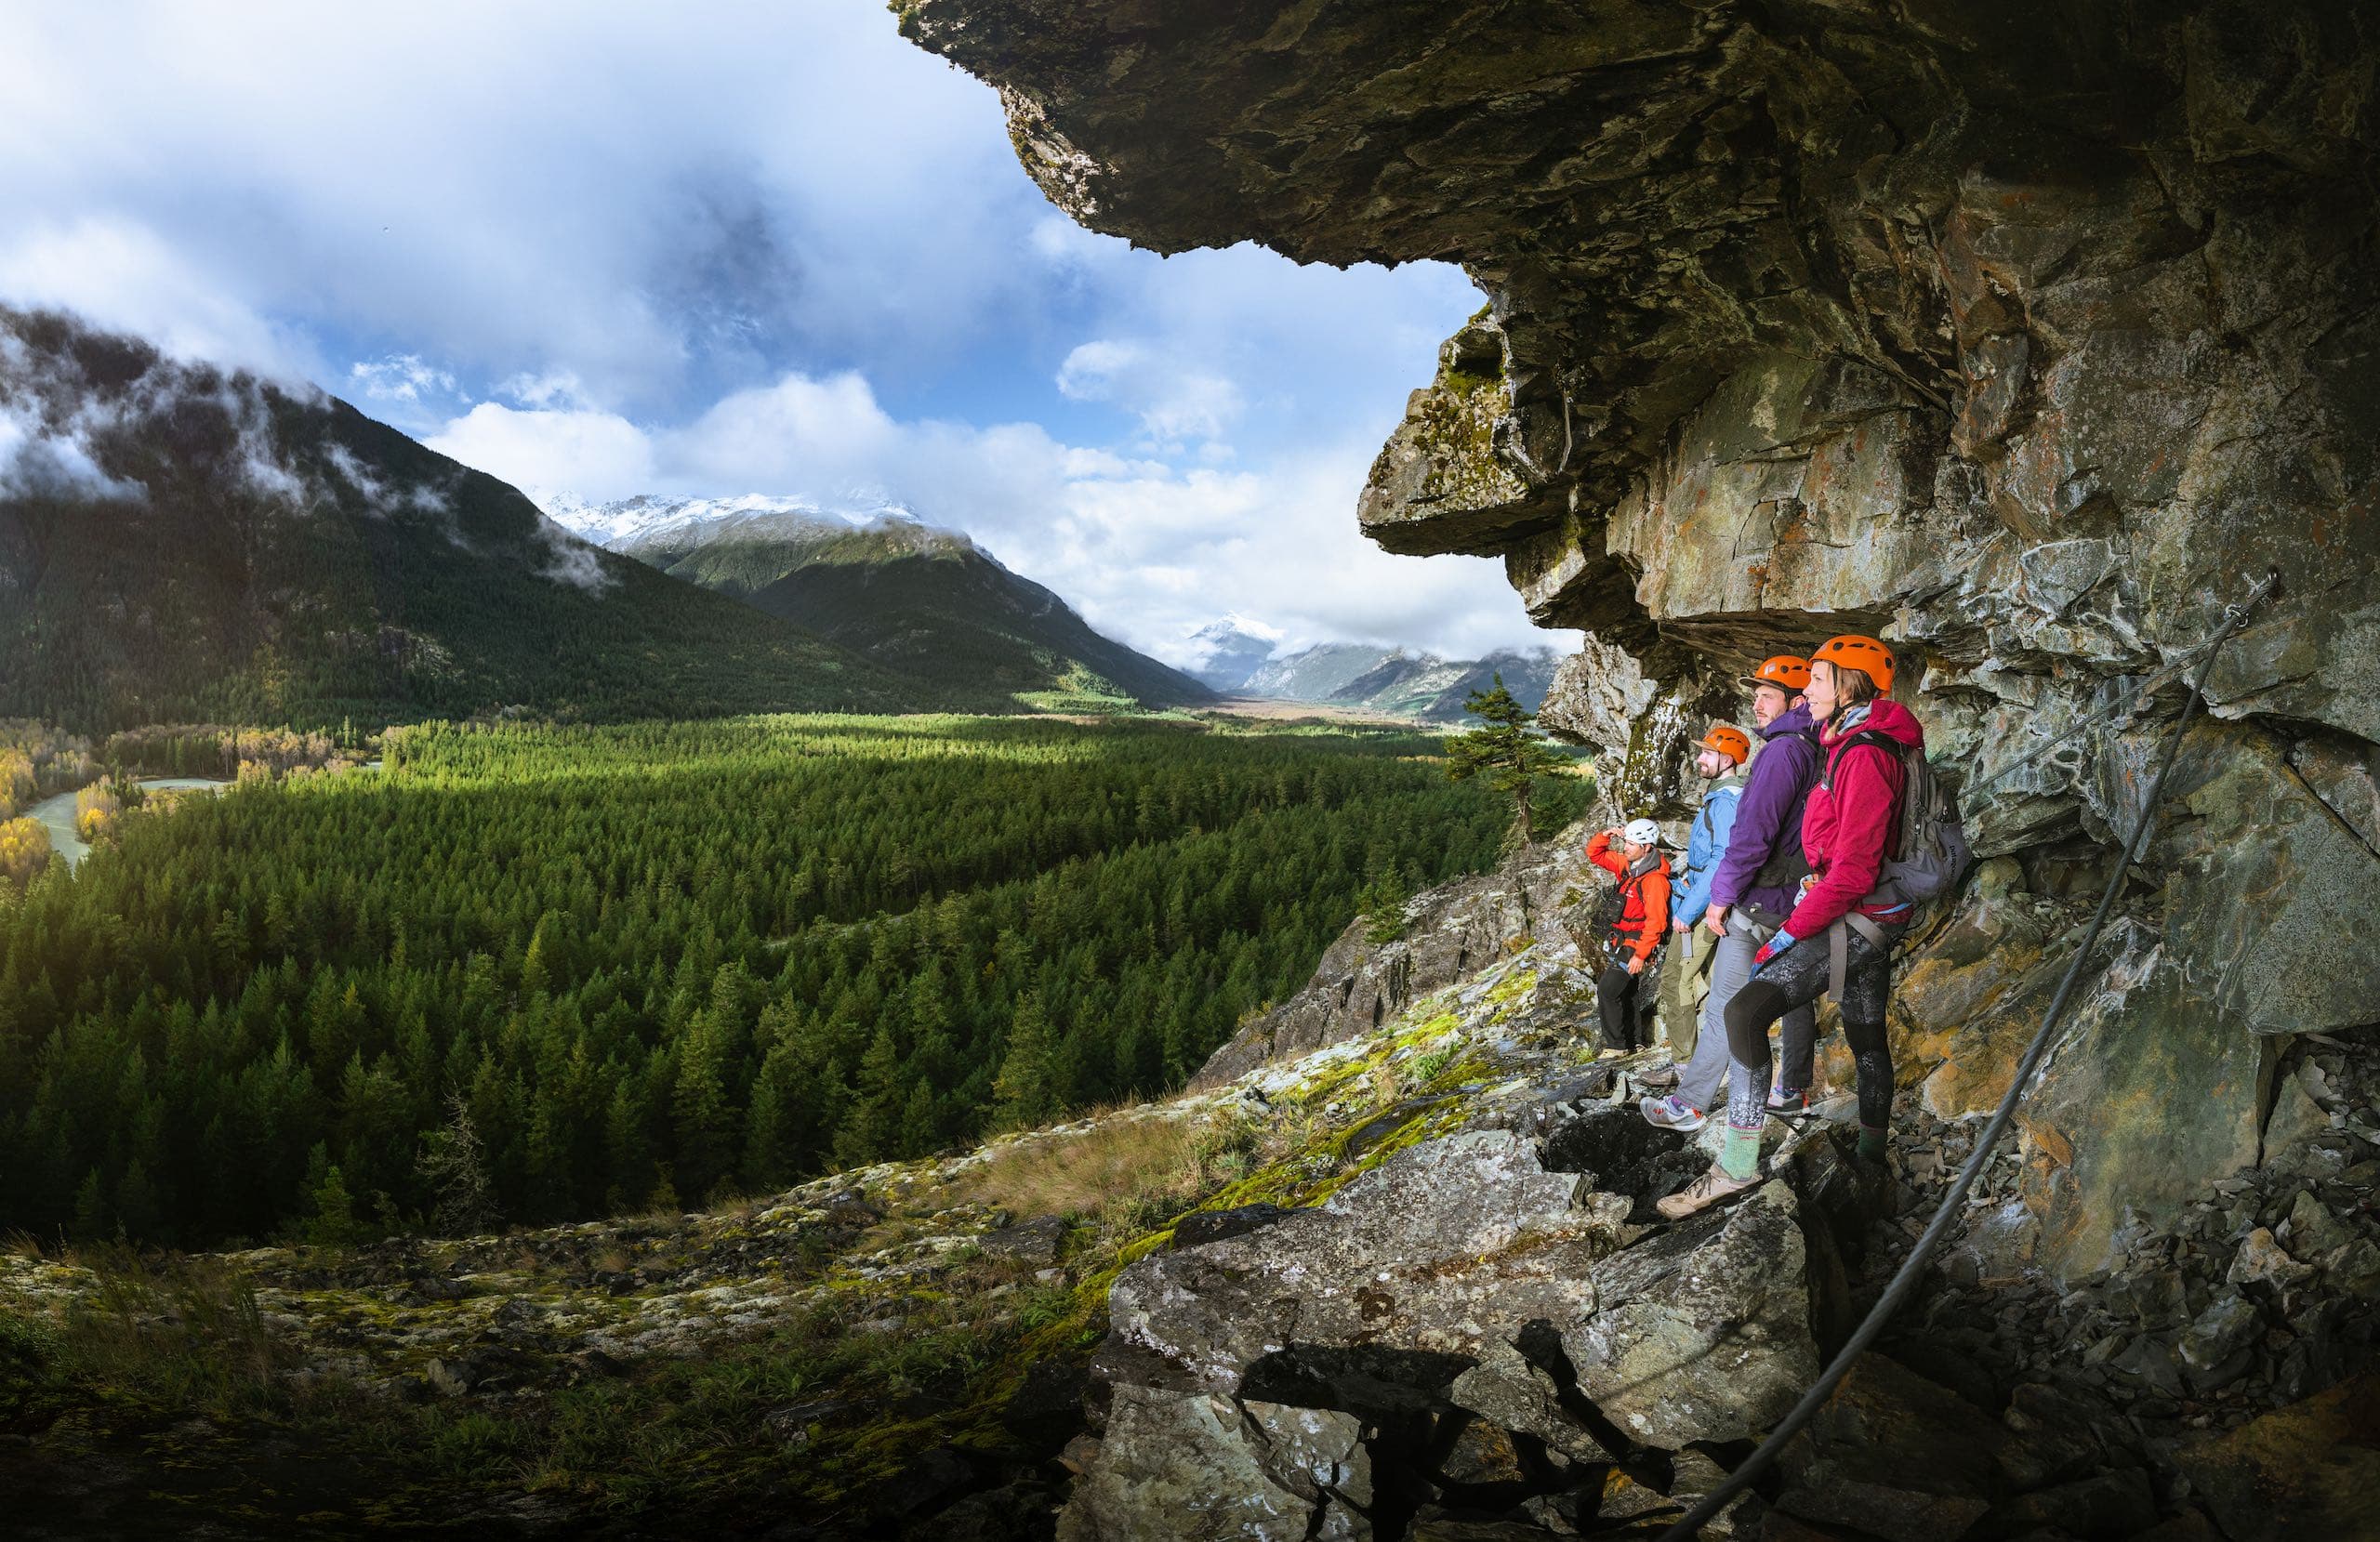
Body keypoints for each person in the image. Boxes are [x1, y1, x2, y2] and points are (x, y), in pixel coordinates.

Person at [1659, 635, 1921, 1220]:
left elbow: (1853, 870)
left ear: (1850, 684)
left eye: (1820, 679)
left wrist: (1790, 931)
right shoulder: (1858, 742)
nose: (1809, 690)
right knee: (1864, 1030)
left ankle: (1736, 1167)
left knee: (1744, 1013)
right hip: (1872, 914)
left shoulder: (1863, 755)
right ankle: (1872, 1160)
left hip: (1856, 917)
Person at [1644, 657, 1822, 1132]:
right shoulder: (1820, 745)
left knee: (1728, 1004)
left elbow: (1752, 834)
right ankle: (1792, 1090)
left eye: (1767, 695)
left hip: (1760, 899)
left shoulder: (1782, 751)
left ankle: (1692, 1105)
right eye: (1756, 693)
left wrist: (1720, 897)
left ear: (1796, 700)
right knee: (1795, 995)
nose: (1756, 702)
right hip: (1801, 897)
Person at [1646, 725, 1748, 1095]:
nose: (1700, 759)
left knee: (1676, 978)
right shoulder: (1727, 795)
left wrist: (1687, 911)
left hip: (1708, 905)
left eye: (1707, 753)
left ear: (1727, 759)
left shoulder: (1724, 801)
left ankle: (1685, 1064)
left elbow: (1722, 857)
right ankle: (1700, 1058)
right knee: (1704, 978)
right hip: (1713, 896)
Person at [1585, 818, 1671, 1058]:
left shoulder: (1655, 881)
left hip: (1636, 943)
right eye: (1626, 842)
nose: (1625, 848)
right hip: (1622, 940)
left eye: (1631, 844)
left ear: (1647, 847)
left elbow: (1657, 922)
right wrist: (1606, 834)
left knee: (1608, 989)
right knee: (1628, 990)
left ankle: (1617, 1046)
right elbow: (1594, 854)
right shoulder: (1628, 866)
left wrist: (1641, 954)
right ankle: (1635, 1042)